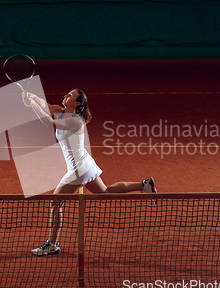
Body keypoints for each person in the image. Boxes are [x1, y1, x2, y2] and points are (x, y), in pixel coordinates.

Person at [23, 88, 157, 256]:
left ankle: (52, 245)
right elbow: (47, 106)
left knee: (55, 203)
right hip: (84, 164)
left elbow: (49, 122)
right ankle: (144, 185)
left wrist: (33, 105)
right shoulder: (61, 111)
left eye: (70, 95)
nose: (65, 96)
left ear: (77, 103)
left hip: (79, 169)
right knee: (106, 192)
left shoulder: (76, 121)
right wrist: (33, 97)